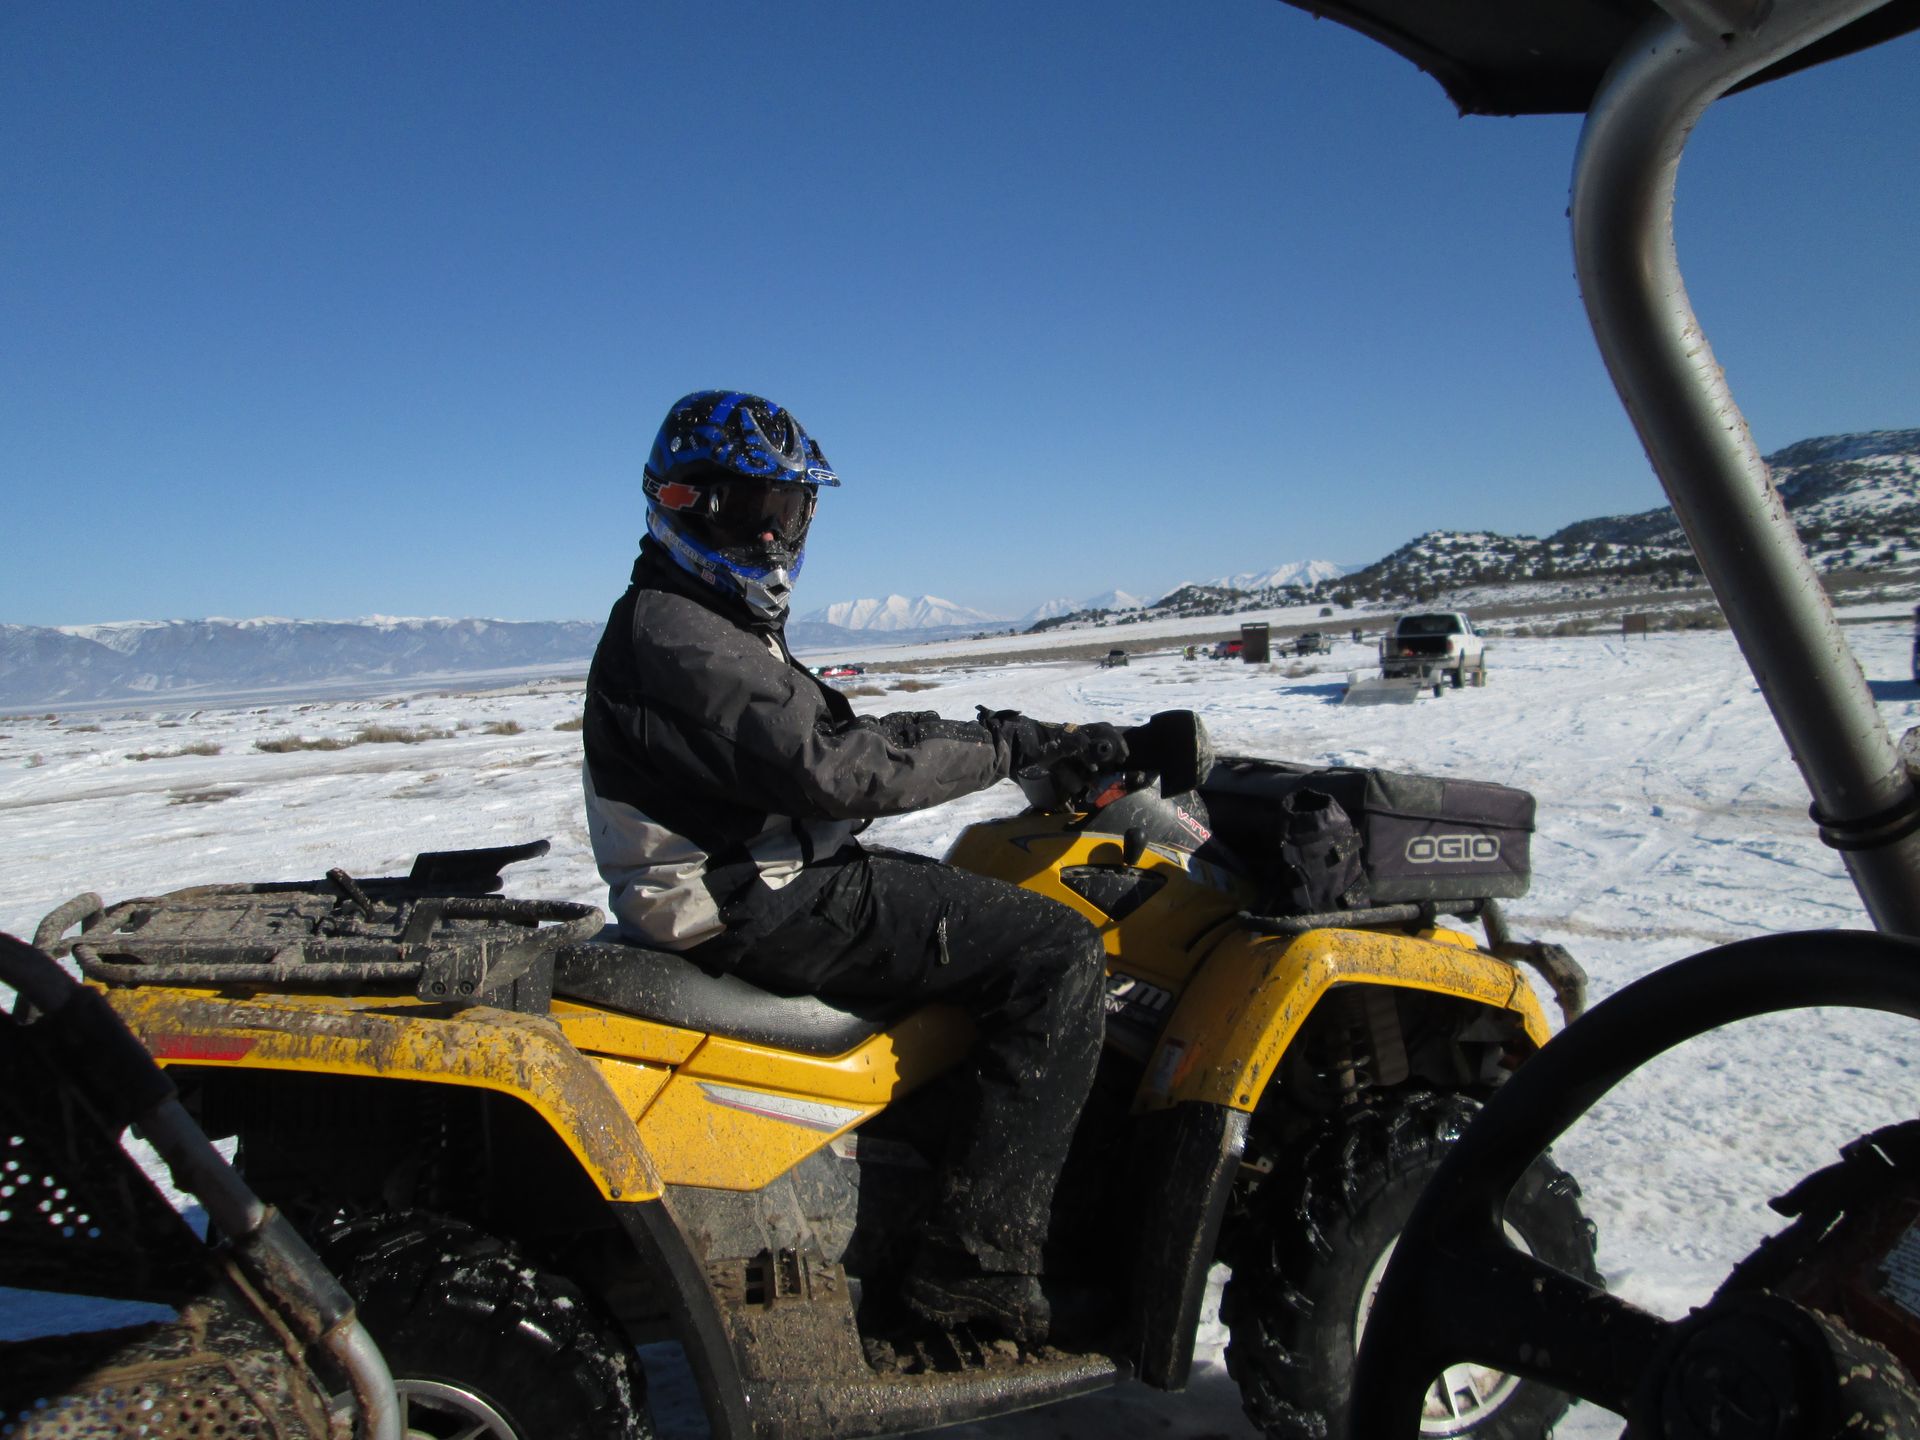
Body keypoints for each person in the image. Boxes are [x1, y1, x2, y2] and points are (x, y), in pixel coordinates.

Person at [581, 390, 1121, 1344]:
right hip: (757, 900)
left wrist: (1010, 738)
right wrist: (1011, 747)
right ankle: (972, 1278)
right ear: (691, 502)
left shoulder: (687, 615)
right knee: (1056, 953)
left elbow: (827, 738)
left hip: (751, 876)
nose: (781, 537)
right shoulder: (680, 634)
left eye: (793, 512)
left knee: (969, 909)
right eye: (764, 510)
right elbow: (843, 767)